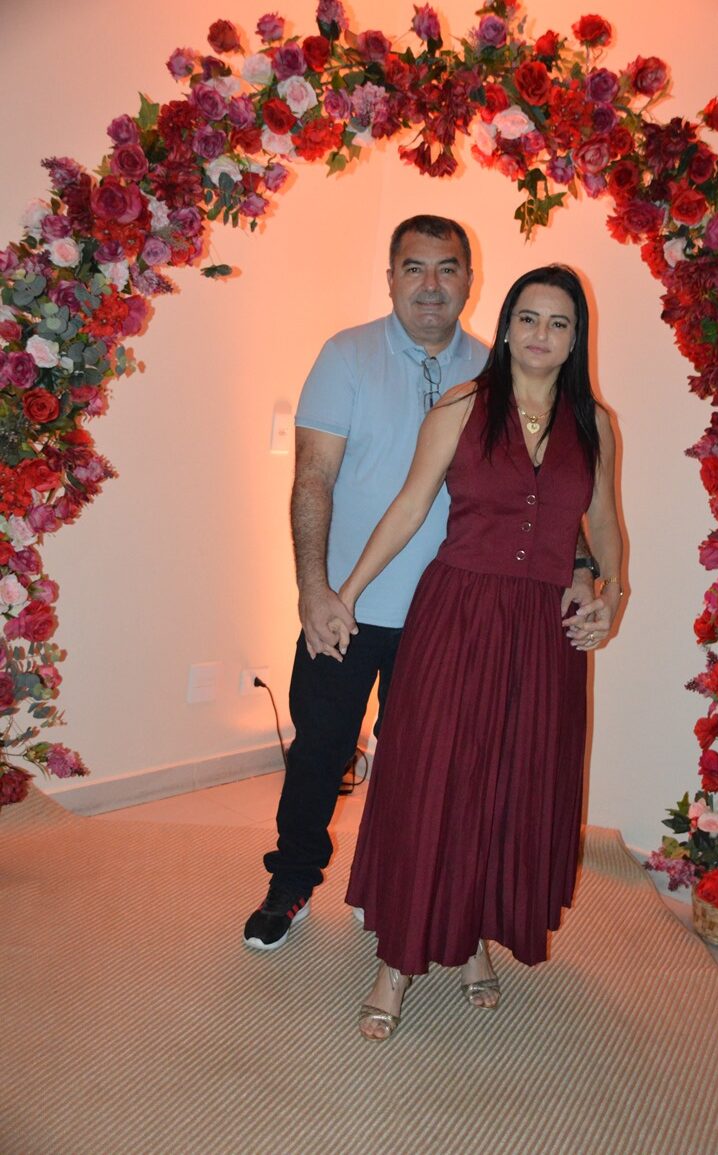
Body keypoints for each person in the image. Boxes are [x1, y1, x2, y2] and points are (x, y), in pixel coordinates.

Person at [243, 222, 603, 952]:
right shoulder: (347, 355)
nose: (431, 285)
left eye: (447, 269)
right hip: (350, 608)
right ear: (390, 277)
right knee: (320, 749)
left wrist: (585, 569)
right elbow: (313, 480)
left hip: (454, 618)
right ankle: (292, 880)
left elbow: (551, 489)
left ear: (471, 280)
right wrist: (316, 591)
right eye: (414, 268)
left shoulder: (505, 363)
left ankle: (398, 891)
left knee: (428, 769)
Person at [336, 264, 624, 1040]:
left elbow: (603, 526)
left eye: (558, 322)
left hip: (544, 633)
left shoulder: (593, 424)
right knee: (432, 778)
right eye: (528, 318)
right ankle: (395, 961)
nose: (541, 334)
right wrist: (346, 592)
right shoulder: (462, 408)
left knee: (512, 784)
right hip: (458, 615)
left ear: (576, 338)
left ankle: (472, 940)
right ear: (505, 327)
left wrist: (608, 593)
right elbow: (408, 507)